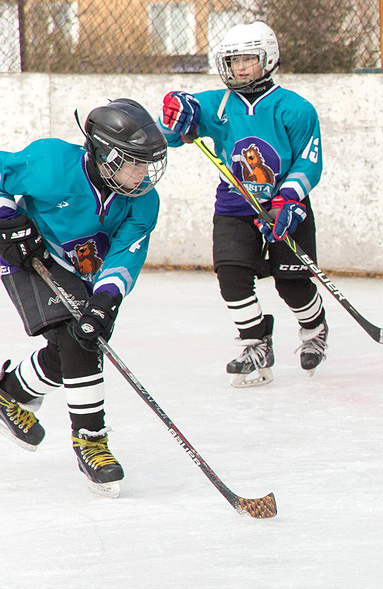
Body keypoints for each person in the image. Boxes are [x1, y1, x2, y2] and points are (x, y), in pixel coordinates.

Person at [0, 98, 167, 496]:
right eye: (134, 162)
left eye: (148, 163)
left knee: (80, 342)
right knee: (76, 339)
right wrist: (6, 220)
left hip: (84, 275)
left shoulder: (143, 201)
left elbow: (126, 255)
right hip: (29, 258)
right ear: (107, 154)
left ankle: (10, 393)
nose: (143, 174)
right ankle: (91, 440)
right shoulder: (52, 161)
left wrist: (107, 300)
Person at [158, 21, 327, 387]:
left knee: (291, 284)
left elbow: (310, 162)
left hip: (285, 205)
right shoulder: (214, 105)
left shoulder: (296, 109)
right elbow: (169, 134)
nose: (239, 68)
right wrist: (172, 114)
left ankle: (314, 329)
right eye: (233, 61)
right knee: (232, 274)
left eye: (247, 59)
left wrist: (290, 198)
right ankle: (255, 345)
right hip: (235, 203)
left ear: (268, 60)